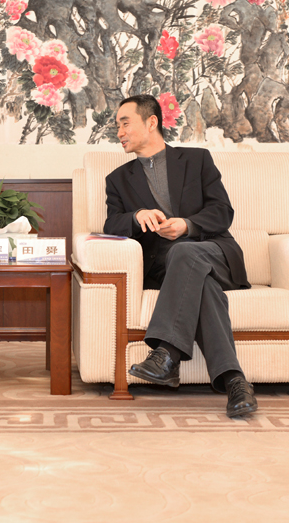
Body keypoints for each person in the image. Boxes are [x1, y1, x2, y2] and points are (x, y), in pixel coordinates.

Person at [103, 94, 257, 418]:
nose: (119, 132)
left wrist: (188, 225)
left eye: (125, 123)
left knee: (186, 252)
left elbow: (222, 211)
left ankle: (167, 353)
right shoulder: (117, 180)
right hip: (168, 269)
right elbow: (111, 223)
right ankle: (235, 382)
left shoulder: (197, 160)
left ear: (152, 122)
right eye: (117, 126)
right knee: (202, 286)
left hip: (213, 251)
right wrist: (136, 216)